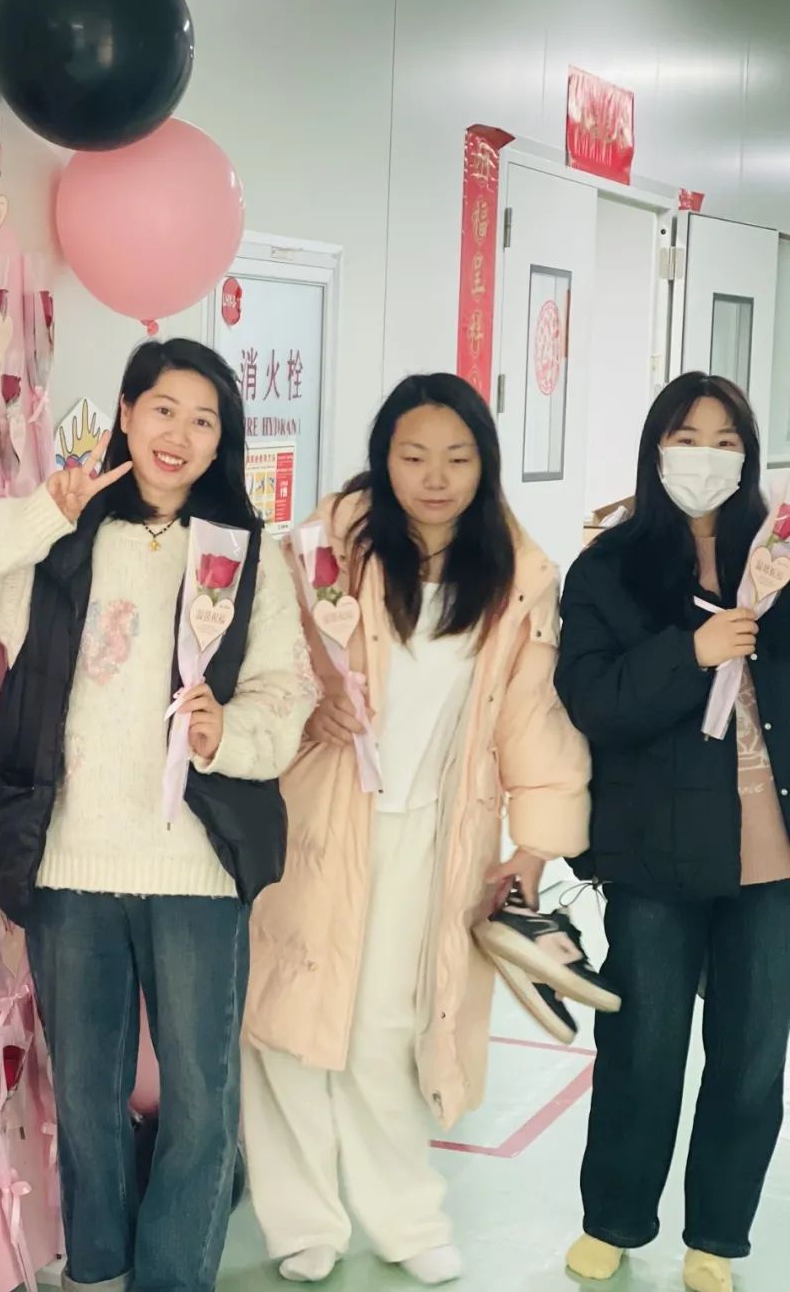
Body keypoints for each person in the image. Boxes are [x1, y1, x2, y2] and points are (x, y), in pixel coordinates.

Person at [0, 338, 316, 1292]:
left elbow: (288, 694)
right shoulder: (61, 546)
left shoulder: (245, 558)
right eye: (163, 409)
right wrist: (42, 512)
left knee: (202, 1105)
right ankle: (97, 1274)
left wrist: (226, 734)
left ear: (222, 442)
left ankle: (171, 1279)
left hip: (196, 870)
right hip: (71, 866)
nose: (180, 434)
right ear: (126, 414)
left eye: (205, 420)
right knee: (88, 1100)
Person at [240, 372, 591, 1286]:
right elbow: (265, 663)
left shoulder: (515, 577)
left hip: (433, 837)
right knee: (287, 1015)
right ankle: (303, 1222)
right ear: (383, 458)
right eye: (413, 455)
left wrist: (533, 843)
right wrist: (309, 704)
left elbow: (530, 714)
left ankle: (406, 1217)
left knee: (386, 1029)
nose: (435, 477)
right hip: (318, 818)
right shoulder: (323, 549)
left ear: (485, 464)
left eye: (457, 457)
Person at [555, 373, 790, 1292]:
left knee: (752, 1053)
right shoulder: (609, 567)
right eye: (689, 436)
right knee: (643, 1044)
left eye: (728, 440)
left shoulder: (778, 553)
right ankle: (614, 1217)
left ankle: (718, 1234)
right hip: (656, 848)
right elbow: (593, 700)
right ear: (656, 447)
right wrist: (691, 651)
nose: (708, 455)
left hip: (770, 853)